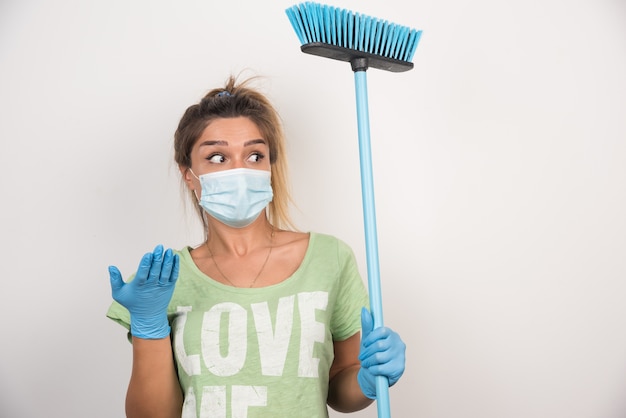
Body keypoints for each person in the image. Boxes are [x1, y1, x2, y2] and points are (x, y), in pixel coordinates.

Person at [106, 75, 406, 418]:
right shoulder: (162, 280)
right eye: (217, 157)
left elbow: (339, 388)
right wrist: (148, 324)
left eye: (254, 155)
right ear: (188, 174)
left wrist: (369, 379)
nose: (239, 170)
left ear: (269, 167)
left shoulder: (329, 258)